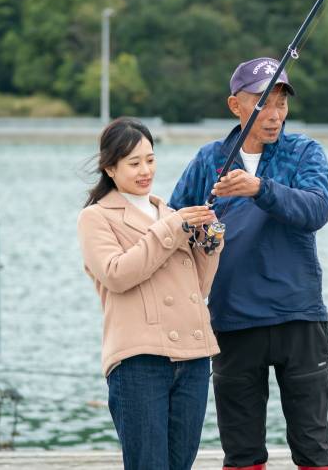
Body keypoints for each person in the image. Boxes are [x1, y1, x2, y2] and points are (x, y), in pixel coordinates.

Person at [170, 57, 328, 470]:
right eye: (262, 102)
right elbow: (172, 224)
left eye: (282, 103)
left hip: (298, 316)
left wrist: (259, 188)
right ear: (235, 105)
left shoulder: (304, 153)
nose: (275, 114)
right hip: (232, 320)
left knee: (313, 447)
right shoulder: (209, 160)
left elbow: (316, 210)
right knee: (242, 452)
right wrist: (197, 228)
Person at [77, 117, 222, 470]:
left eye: (151, 159)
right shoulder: (95, 218)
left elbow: (197, 289)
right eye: (134, 163)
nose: (146, 170)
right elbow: (117, 274)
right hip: (139, 360)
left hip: (193, 355)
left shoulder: (169, 213)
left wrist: (211, 245)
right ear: (110, 168)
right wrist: (170, 229)